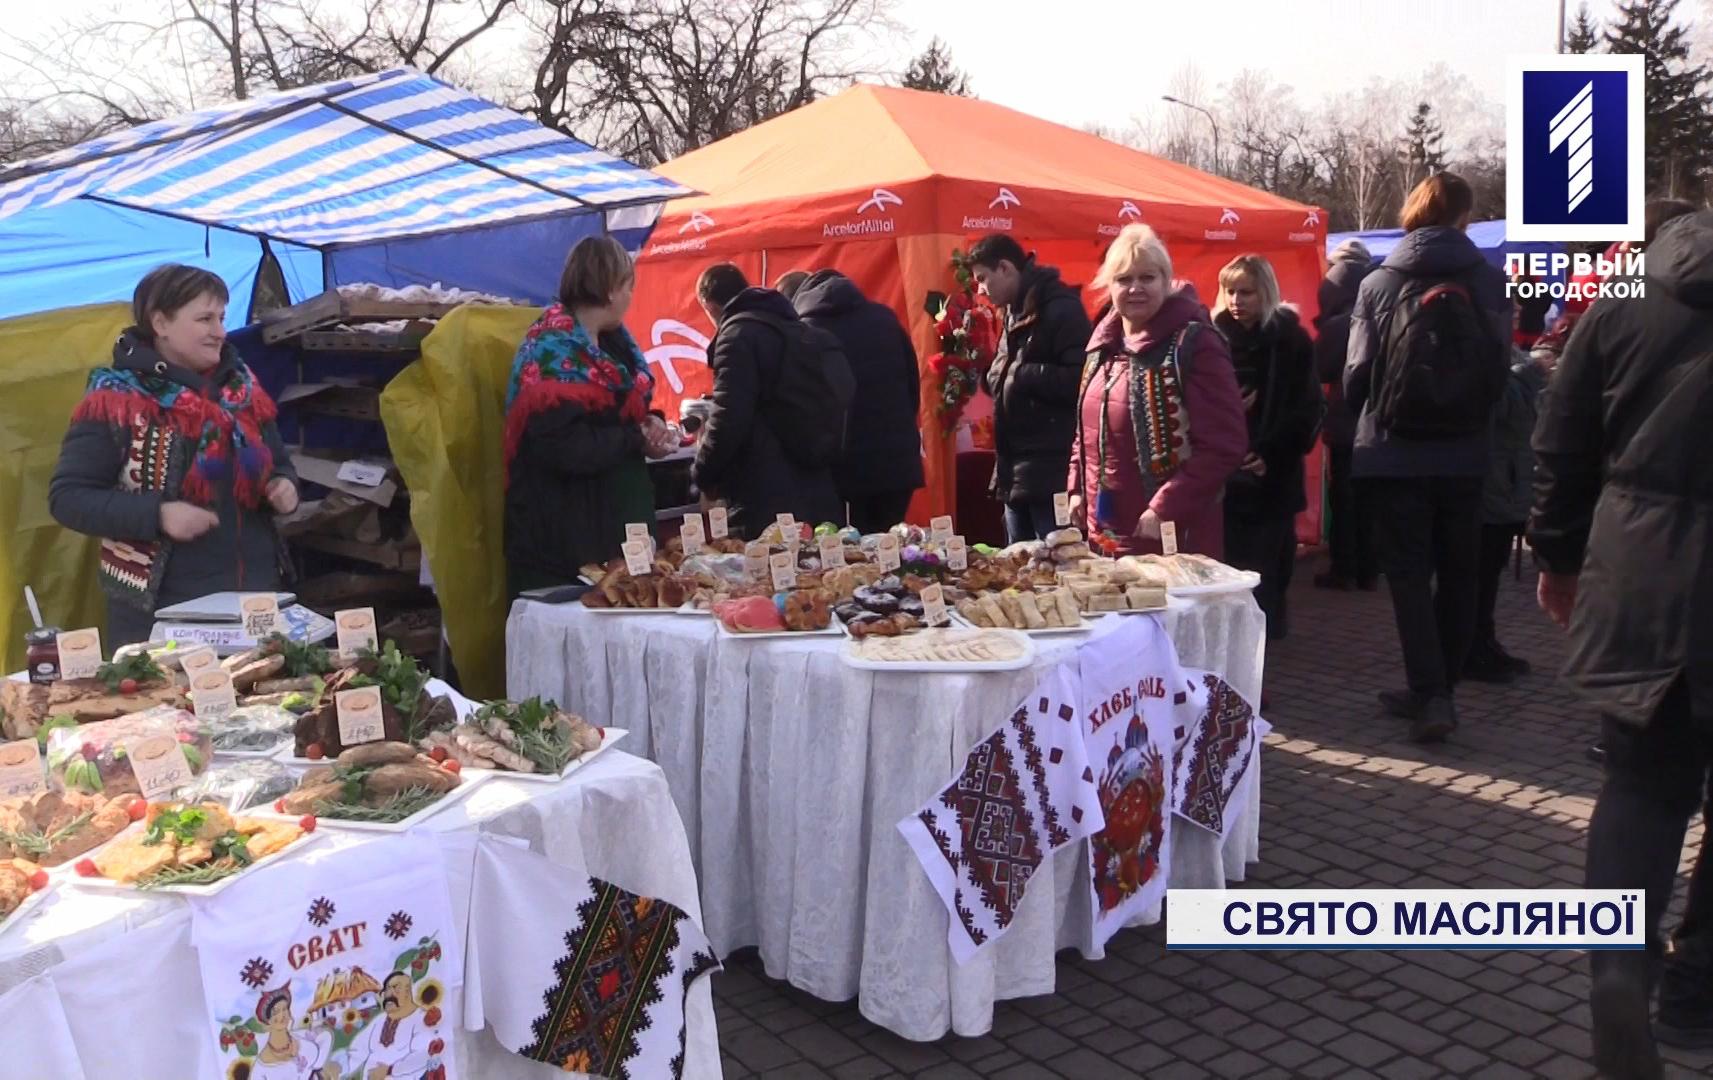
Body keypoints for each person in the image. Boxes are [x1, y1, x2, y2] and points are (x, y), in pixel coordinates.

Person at [1530, 208, 1713, 1080]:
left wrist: (1557, 552)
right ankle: (1695, 990)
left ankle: (1616, 969)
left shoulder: (1632, 284)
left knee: (1640, 786)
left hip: (1642, 568)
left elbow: (1561, 435)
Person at [49, 265, 299, 648]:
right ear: (161, 323)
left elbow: (279, 464)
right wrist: (159, 514)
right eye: (204, 319)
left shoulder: (241, 389)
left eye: (221, 318)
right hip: (162, 614)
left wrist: (284, 486)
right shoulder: (115, 399)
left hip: (257, 600)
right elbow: (69, 498)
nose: (219, 331)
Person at [1344, 172, 1511, 744]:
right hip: (1465, 450)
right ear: (1465, 217)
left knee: (1410, 575)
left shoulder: (1378, 282)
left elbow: (1357, 373)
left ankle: (1429, 689)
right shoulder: (1488, 280)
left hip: (1394, 451)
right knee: (1460, 571)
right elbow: (1500, 368)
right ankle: (1440, 690)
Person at [502, 236, 677, 597]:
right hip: (562, 537)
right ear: (611, 289)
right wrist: (634, 437)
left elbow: (618, 414)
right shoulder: (550, 351)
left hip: (616, 522)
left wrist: (651, 423)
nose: (631, 297)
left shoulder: (614, 343)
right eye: (629, 287)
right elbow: (563, 446)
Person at [1066, 224, 1247, 557]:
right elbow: (1087, 430)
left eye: (1147, 278)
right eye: (1124, 279)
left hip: (1170, 533)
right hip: (1103, 529)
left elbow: (1224, 444)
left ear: (1166, 281)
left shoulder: (1194, 343)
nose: (1135, 288)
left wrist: (1166, 506)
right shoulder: (1103, 345)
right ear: (1108, 286)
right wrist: (1076, 488)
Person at [1213, 254, 1323, 640]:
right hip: (1222, 477)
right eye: (1230, 291)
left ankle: (1262, 651)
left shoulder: (1290, 341)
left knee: (1268, 572)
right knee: (1227, 570)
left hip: (1273, 478)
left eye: (1246, 292)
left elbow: (1308, 409)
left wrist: (1272, 455)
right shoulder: (1211, 337)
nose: (1236, 300)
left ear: (1265, 292)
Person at [692, 263, 842, 537]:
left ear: (709, 306)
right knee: (815, 573)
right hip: (816, 485)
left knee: (765, 575)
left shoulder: (737, 336)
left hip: (763, 492)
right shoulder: (798, 330)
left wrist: (703, 474)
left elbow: (728, 420)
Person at [970, 235, 1093, 543]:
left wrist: (1018, 373)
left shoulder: (1061, 309)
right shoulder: (1013, 312)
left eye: (983, 279)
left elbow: (1081, 380)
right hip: (1016, 470)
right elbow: (1002, 374)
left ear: (1005, 268)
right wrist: (989, 372)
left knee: (1060, 567)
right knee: (1019, 572)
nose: (980, 290)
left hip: (1051, 471)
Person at [791, 269, 924, 534]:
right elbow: (913, 385)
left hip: (841, 465)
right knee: (886, 548)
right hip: (895, 460)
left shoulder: (806, 333)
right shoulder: (885, 318)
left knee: (843, 553)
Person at [1465, 342, 1549, 683]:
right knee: (1478, 574)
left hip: (1506, 484)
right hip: (1491, 484)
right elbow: (1500, 409)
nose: (1514, 309)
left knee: (1488, 573)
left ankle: (1484, 642)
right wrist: (1533, 371)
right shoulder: (1487, 353)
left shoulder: (1507, 352)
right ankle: (1472, 649)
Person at [1312, 239, 1380, 591]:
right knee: (1370, 499)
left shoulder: (1337, 322)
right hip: (1378, 421)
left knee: (1343, 497)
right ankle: (1369, 568)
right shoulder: (1383, 304)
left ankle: (1343, 567)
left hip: (1343, 421)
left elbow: (1320, 370)